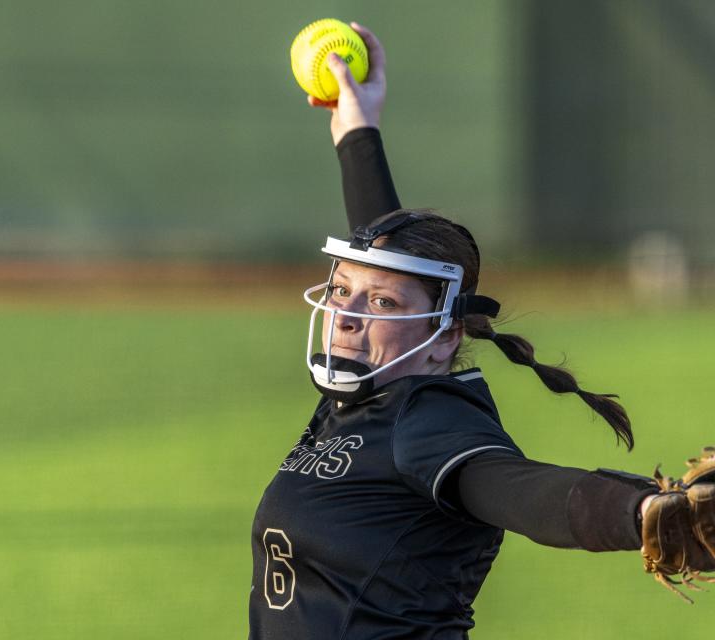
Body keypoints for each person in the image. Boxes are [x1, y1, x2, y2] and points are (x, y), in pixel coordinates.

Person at [248, 24, 659, 639]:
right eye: (340, 291)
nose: (349, 312)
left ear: (443, 337)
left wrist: (646, 512)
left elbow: (523, 491)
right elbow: (389, 258)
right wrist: (356, 128)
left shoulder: (429, 419)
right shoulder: (368, 395)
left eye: (380, 302)